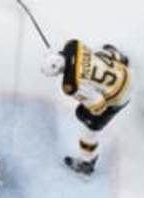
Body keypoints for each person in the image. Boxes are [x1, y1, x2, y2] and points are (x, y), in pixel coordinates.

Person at [41, 39, 131, 176]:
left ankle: (86, 163)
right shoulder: (72, 45)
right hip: (126, 74)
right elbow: (75, 58)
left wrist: (89, 109)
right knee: (102, 50)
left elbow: (98, 105)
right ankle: (121, 58)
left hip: (122, 95)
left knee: (86, 122)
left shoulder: (71, 85)